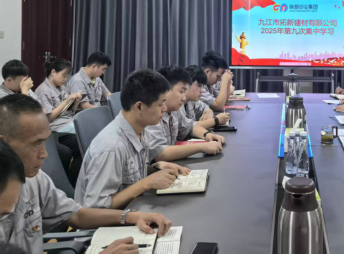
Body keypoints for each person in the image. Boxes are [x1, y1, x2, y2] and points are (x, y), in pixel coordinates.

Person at [0, 94, 173, 254]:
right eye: (35, 144)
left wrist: (132, 216)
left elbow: (76, 215)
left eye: (45, 142)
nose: (44, 154)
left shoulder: (35, 179)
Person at [75, 70, 190, 209]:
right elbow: (95, 208)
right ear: (139, 106)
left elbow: (128, 176)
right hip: (110, 220)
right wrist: (146, 183)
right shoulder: (112, 147)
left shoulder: (141, 130)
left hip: (132, 208)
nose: (164, 109)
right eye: (160, 104)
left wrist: (154, 169)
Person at [146, 66, 225, 163]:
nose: (184, 98)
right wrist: (201, 147)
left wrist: (207, 134)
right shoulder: (151, 113)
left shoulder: (174, 109)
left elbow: (190, 126)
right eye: (181, 92)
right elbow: (160, 154)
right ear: (165, 90)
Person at [35, 58, 89, 186]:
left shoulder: (61, 87)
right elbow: (48, 118)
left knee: (86, 144)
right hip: (56, 128)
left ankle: (76, 183)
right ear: (53, 72)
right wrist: (66, 101)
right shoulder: (43, 90)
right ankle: (69, 183)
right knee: (84, 143)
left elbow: (71, 111)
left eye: (67, 76)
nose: (65, 79)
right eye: (63, 75)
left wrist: (76, 101)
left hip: (67, 122)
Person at [183, 66, 231, 130]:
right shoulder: (177, 104)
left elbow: (205, 107)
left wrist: (209, 113)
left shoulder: (191, 100)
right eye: (199, 86)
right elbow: (187, 127)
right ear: (186, 84)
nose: (202, 91)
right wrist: (216, 120)